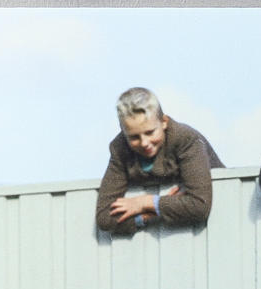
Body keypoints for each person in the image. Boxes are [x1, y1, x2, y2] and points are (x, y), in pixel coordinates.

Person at [94, 87, 224, 236]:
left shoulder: (186, 139)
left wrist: (145, 202)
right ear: (123, 132)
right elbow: (104, 218)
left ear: (164, 122)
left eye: (150, 132)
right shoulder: (120, 148)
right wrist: (148, 214)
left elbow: (199, 206)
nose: (144, 142)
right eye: (134, 137)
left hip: (217, 226)